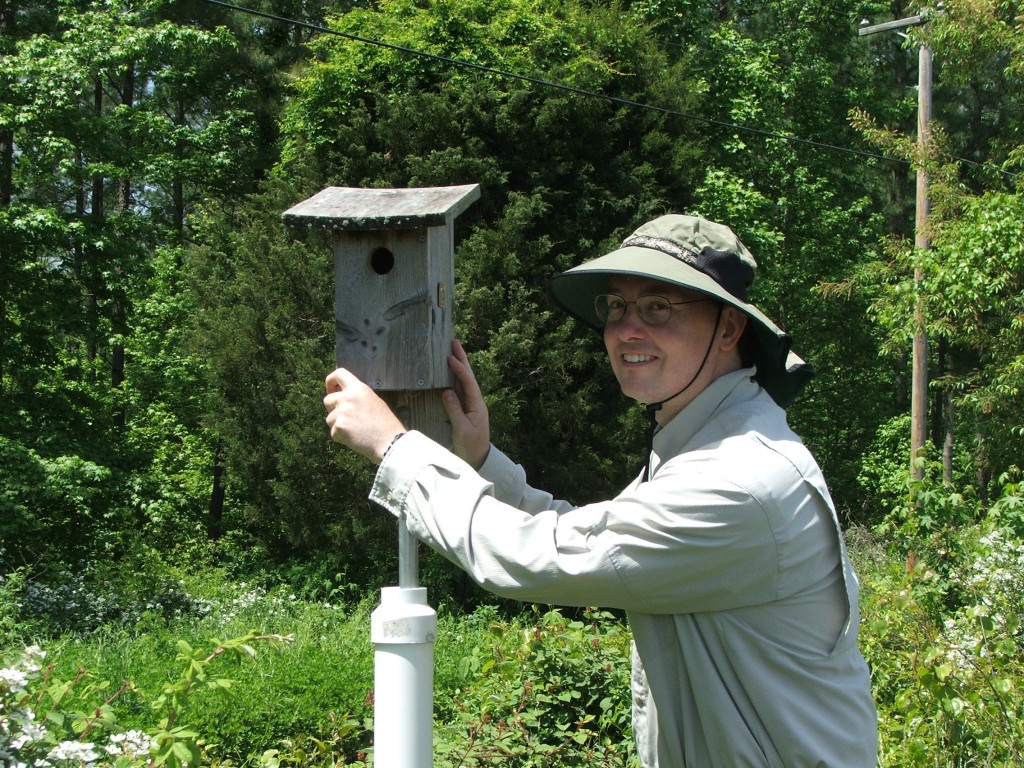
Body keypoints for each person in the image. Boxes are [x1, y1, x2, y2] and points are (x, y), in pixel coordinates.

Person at [324, 214, 878, 767]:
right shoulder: (703, 443)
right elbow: (593, 534)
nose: (627, 329)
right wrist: (482, 462)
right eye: (617, 306)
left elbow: (545, 557)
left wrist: (395, 449)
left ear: (729, 329)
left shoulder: (739, 480)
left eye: (658, 307)